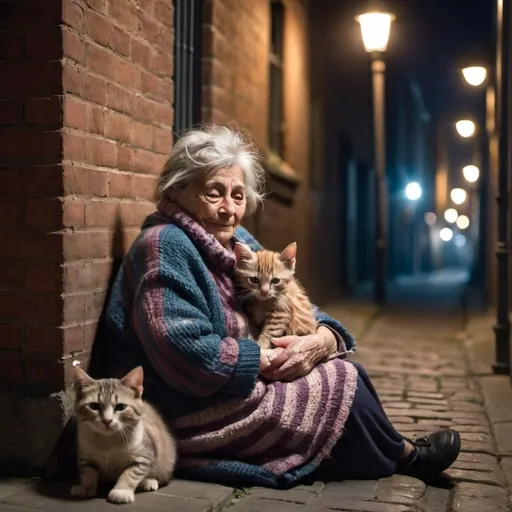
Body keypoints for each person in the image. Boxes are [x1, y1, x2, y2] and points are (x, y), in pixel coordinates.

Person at [105, 125, 461, 489]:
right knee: (339, 386)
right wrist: (261, 360)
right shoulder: (163, 246)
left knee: (341, 370)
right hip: (192, 405)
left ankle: (387, 453)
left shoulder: (235, 240)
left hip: (235, 385)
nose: (229, 209)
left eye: (238, 196)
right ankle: (405, 456)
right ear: (177, 190)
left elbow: (293, 296)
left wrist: (324, 338)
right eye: (214, 193)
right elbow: (183, 353)